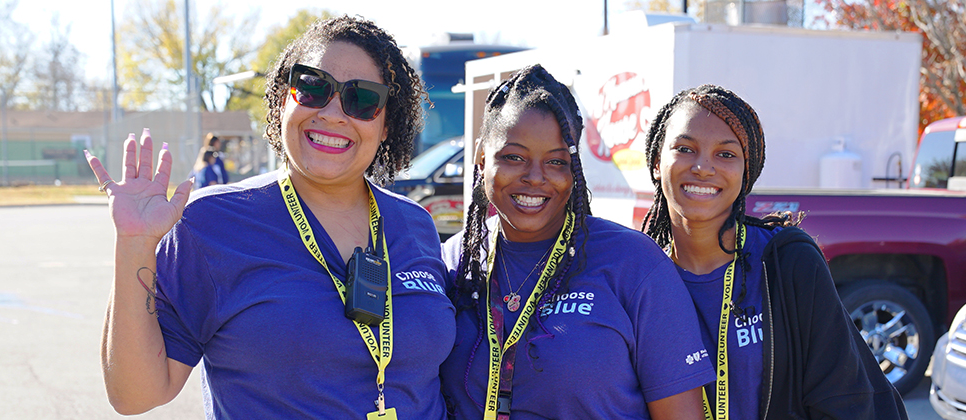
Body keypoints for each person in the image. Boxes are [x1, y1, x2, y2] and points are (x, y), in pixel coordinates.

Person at [83, 15, 455, 419]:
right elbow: (134, 395)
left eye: (362, 99)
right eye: (313, 87)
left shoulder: (416, 226)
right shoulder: (212, 223)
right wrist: (135, 243)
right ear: (283, 102)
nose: (332, 113)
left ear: (386, 125)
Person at [440, 64, 714, 419]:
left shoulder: (634, 264)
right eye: (513, 157)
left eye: (556, 162)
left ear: (575, 170)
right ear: (480, 159)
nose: (535, 177)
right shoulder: (451, 262)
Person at [641, 84, 909, 419]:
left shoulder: (787, 262)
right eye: (685, 148)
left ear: (746, 172)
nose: (703, 167)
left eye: (726, 154)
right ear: (656, 162)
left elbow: (846, 399)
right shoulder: (639, 278)